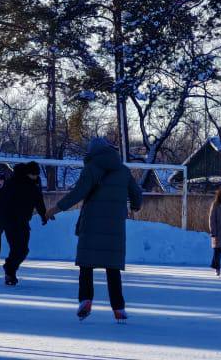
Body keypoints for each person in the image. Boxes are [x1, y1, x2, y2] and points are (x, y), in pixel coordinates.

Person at [47, 137, 142, 322]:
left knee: (86, 265)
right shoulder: (123, 170)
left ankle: (85, 300)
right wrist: (136, 206)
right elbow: (136, 193)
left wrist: (56, 208)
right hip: (115, 226)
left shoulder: (91, 169)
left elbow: (77, 194)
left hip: (92, 223)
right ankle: (119, 309)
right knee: (112, 269)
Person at [0, 161, 49, 286]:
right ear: (29, 173)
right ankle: (10, 272)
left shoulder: (31, 184)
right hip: (11, 221)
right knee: (18, 249)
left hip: (20, 221)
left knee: (21, 250)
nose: (36, 177)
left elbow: (39, 202)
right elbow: (4, 200)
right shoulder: (15, 183)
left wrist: (44, 215)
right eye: (35, 174)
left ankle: (9, 270)